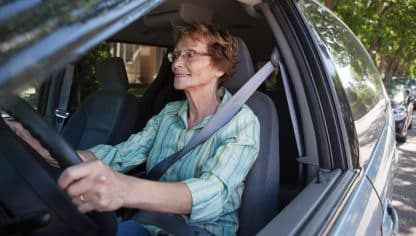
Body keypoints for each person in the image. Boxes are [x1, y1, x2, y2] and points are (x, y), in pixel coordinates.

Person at [7, 23, 260, 236]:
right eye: (176, 54)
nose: (176, 63)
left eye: (190, 54)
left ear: (220, 67)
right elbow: (119, 155)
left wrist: (123, 190)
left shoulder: (242, 122)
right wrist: (41, 147)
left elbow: (212, 194)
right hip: (151, 225)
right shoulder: (169, 113)